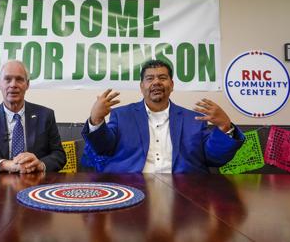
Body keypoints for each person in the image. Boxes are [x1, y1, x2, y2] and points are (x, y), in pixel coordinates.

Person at [82, 59, 245, 173]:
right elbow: (103, 148)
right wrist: (96, 120)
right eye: (150, 78)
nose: (156, 82)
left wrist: (225, 127)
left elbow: (215, 158)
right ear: (142, 86)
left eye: (162, 77)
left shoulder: (193, 119)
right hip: (131, 186)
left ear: (172, 85)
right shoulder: (122, 115)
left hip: (184, 189)